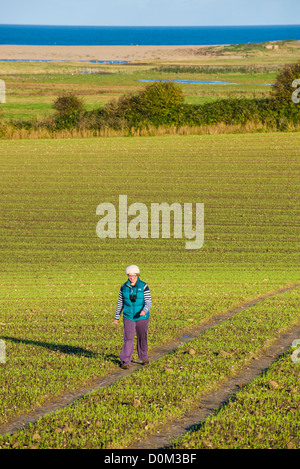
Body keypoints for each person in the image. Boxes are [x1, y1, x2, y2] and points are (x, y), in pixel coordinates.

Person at [114, 265, 151, 369]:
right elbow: (120, 302)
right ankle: (125, 361)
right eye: (130, 276)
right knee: (128, 339)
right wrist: (117, 316)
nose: (132, 278)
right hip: (128, 316)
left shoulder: (144, 286)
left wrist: (144, 310)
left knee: (142, 337)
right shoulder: (123, 287)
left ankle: (144, 357)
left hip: (142, 317)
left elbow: (148, 301)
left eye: (134, 276)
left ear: (137, 275)